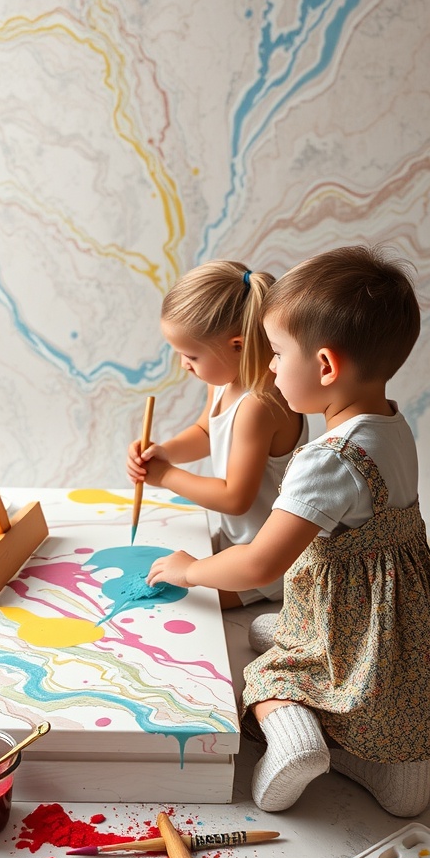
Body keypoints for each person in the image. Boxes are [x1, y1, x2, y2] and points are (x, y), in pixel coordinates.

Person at [146, 245, 430, 817]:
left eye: (278, 353)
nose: (271, 367)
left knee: (261, 671)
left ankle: (297, 742)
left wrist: (189, 570)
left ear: (326, 366)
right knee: (273, 628)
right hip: (404, 621)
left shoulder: (327, 460)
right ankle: (402, 775)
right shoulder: (392, 426)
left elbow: (261, 564)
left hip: (350, 619)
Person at [127, 259, 307, 609]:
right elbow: (206, 432)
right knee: (173, 571)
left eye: (190, 355)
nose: (183, 365)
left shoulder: (259, 405)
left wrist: (166, 476)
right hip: (237, 538)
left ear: (237, 346)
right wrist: (164, 452)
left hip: (266, 556)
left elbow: (234, 497)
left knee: (185, 598)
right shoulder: (226, 381)